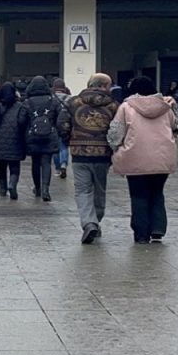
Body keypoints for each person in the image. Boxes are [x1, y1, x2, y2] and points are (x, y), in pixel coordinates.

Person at [108, 76, 178, 244]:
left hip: (134, 157)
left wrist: (114, 148)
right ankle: (158, 229)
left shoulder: (126, 107)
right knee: (157, 193)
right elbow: (175, 126)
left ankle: (141, 233)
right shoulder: (166, 107)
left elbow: (116, 132)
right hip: (162, 157)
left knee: (138, 195)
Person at [57, 73, 119, 244]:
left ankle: (88, 222)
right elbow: (117, 129)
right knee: (100, 189)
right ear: (106, 86)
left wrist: (69, 139)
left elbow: (62, 124)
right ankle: (96, 220)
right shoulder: (114, 105)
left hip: (79, 153)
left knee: (82, 190)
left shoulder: (74, 102)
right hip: (103, 154)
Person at [0, 82, 29, 200]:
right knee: (14, 165)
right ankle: (12, 184)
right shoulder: (19, 106)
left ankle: (2, 188)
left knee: (1, 165)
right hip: (15, 140)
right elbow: (22, 122)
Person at [23, 76, 61, 202]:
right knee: (46, 163)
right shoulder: (53, 100)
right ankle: (46, 189)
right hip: (49, 135)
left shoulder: (28, 102)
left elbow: (22, 120)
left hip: (33, 135)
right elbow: (59, 118)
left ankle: (38, 188)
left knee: (35, 162)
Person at [51, 78, 72, 179]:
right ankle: (64, 164)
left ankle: (58, 169)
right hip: (66, 126)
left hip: (54, 125)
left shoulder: (51, 98)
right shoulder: (70, 98)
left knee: (56, 148)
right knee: (64, 146)